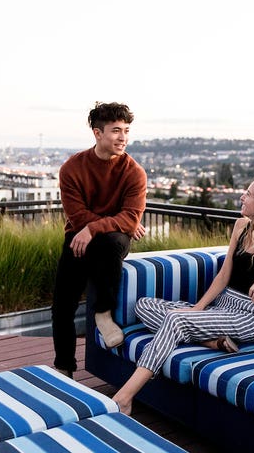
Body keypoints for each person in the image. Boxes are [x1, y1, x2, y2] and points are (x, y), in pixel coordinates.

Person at [112, 176, 254, 415]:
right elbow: (223, 275)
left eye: (248, 194)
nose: (242, 197)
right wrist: (197, 309)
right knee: (144, 305)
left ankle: (124, 397)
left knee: (176, 320)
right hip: (222, 306)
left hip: (251, 315)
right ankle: (210, 341)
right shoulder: (241, 226)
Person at [52, 102, 147, 379]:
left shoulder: (134, 172)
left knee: (110, 243)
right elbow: (76, 214)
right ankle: (64, 367)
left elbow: (129, 218)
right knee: (62, 305)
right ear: (97, 133)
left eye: (126, 131)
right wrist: (106, 224)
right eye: (116, 131)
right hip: (78, 237)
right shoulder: (72, 168)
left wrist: (96, 228)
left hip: (110, 240)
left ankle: (102, 312)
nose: (123, 138)